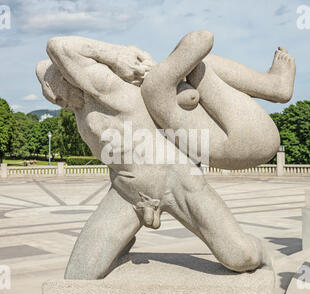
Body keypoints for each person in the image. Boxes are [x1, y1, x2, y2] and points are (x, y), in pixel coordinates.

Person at [36, 30, 295, 280]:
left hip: (176, 181)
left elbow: (58, 46)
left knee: (241, 258)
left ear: (72, 77)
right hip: (127, 195)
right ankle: (120, 245)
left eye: (58, 91)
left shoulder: (108, 89)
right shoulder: (81, 114)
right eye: (51, 98)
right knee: (79, 275)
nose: (57, 99)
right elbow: (44, 66)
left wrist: (116, 56)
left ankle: (265, 253)